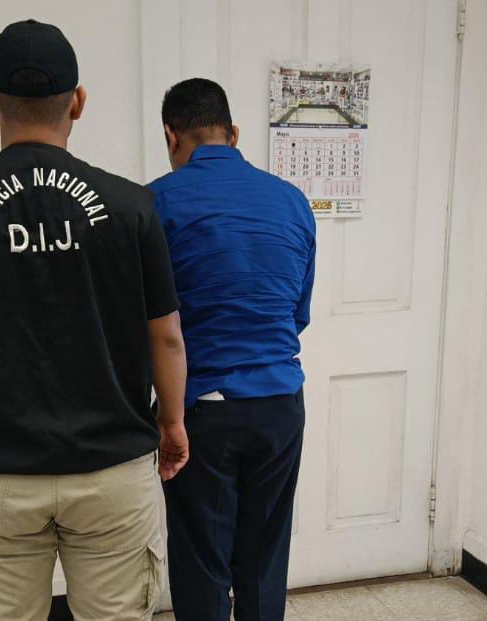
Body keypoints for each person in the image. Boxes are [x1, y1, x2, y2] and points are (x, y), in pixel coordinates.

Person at [0, 19, 189, 621]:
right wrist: (173, 420)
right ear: (78, 101)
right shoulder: (132, 208)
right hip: (111, 470)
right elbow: (166, 334)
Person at [149, 79, 315, 621]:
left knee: (202, 559)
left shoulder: (154, 203)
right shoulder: (292, 201)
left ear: (171, 136)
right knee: (265, 558)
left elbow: (145, 325)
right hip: (281, 406)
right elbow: (298, 314)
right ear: (234, 133)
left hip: (199, 410)